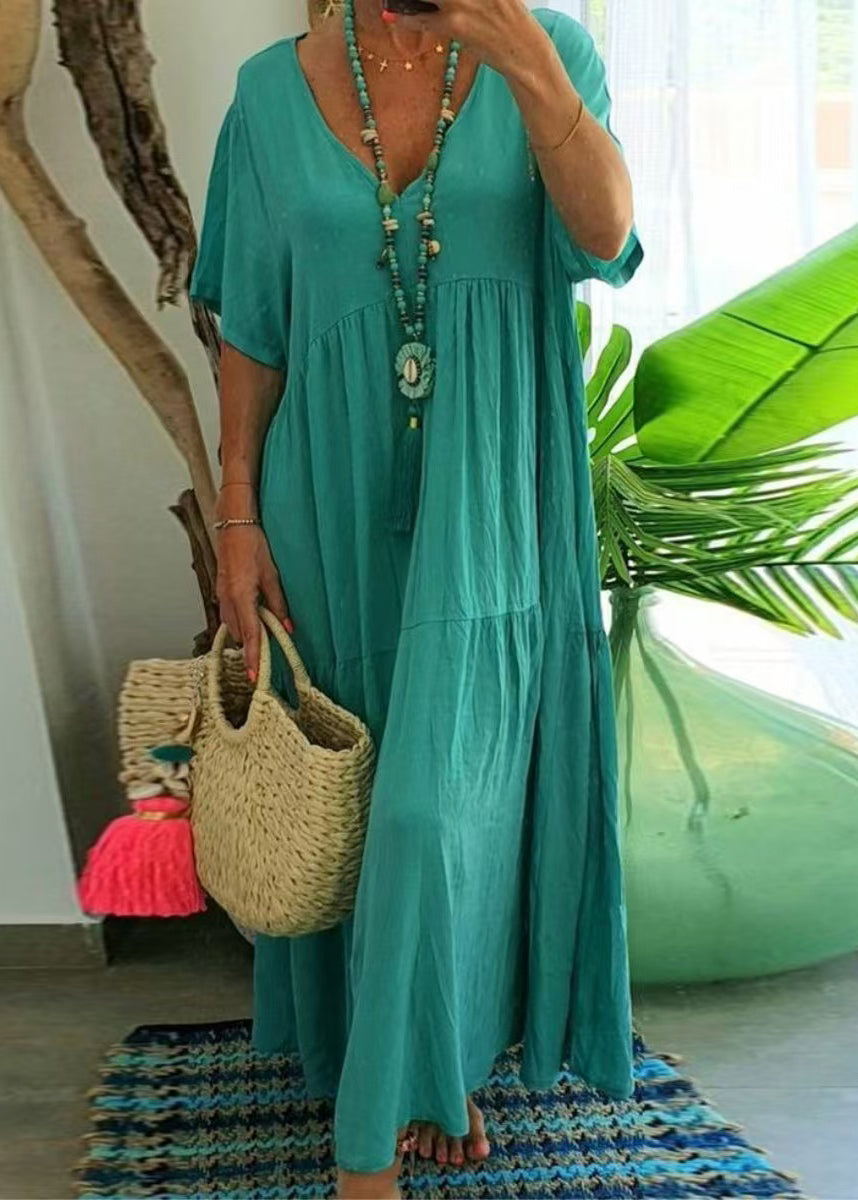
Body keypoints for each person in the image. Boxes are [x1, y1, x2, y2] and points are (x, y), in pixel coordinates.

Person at [188, 0, 643, 1194]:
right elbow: (252, 329)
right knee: (362, 796)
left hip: (492, 490)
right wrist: (236, 513)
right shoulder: (269, 94)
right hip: (324, 498)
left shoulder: (548, 50)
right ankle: (425, 1067)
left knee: (433, 813)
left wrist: (525, 57)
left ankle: (364, 1154)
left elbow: (604, 237)